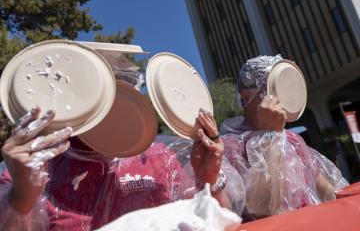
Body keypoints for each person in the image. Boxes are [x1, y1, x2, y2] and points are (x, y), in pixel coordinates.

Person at [0, 82, 244, 230]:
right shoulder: (36, 164)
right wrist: (22, 196)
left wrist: (209, 179)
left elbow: (216, 222)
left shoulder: (159, 156)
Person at [220, 55, 349, 220]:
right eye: (273, 88)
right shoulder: (231, 147)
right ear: (246, 96)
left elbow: (326, 190)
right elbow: (261, 209)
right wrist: (268, 137)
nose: (282, 95)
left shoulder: (293, 140)